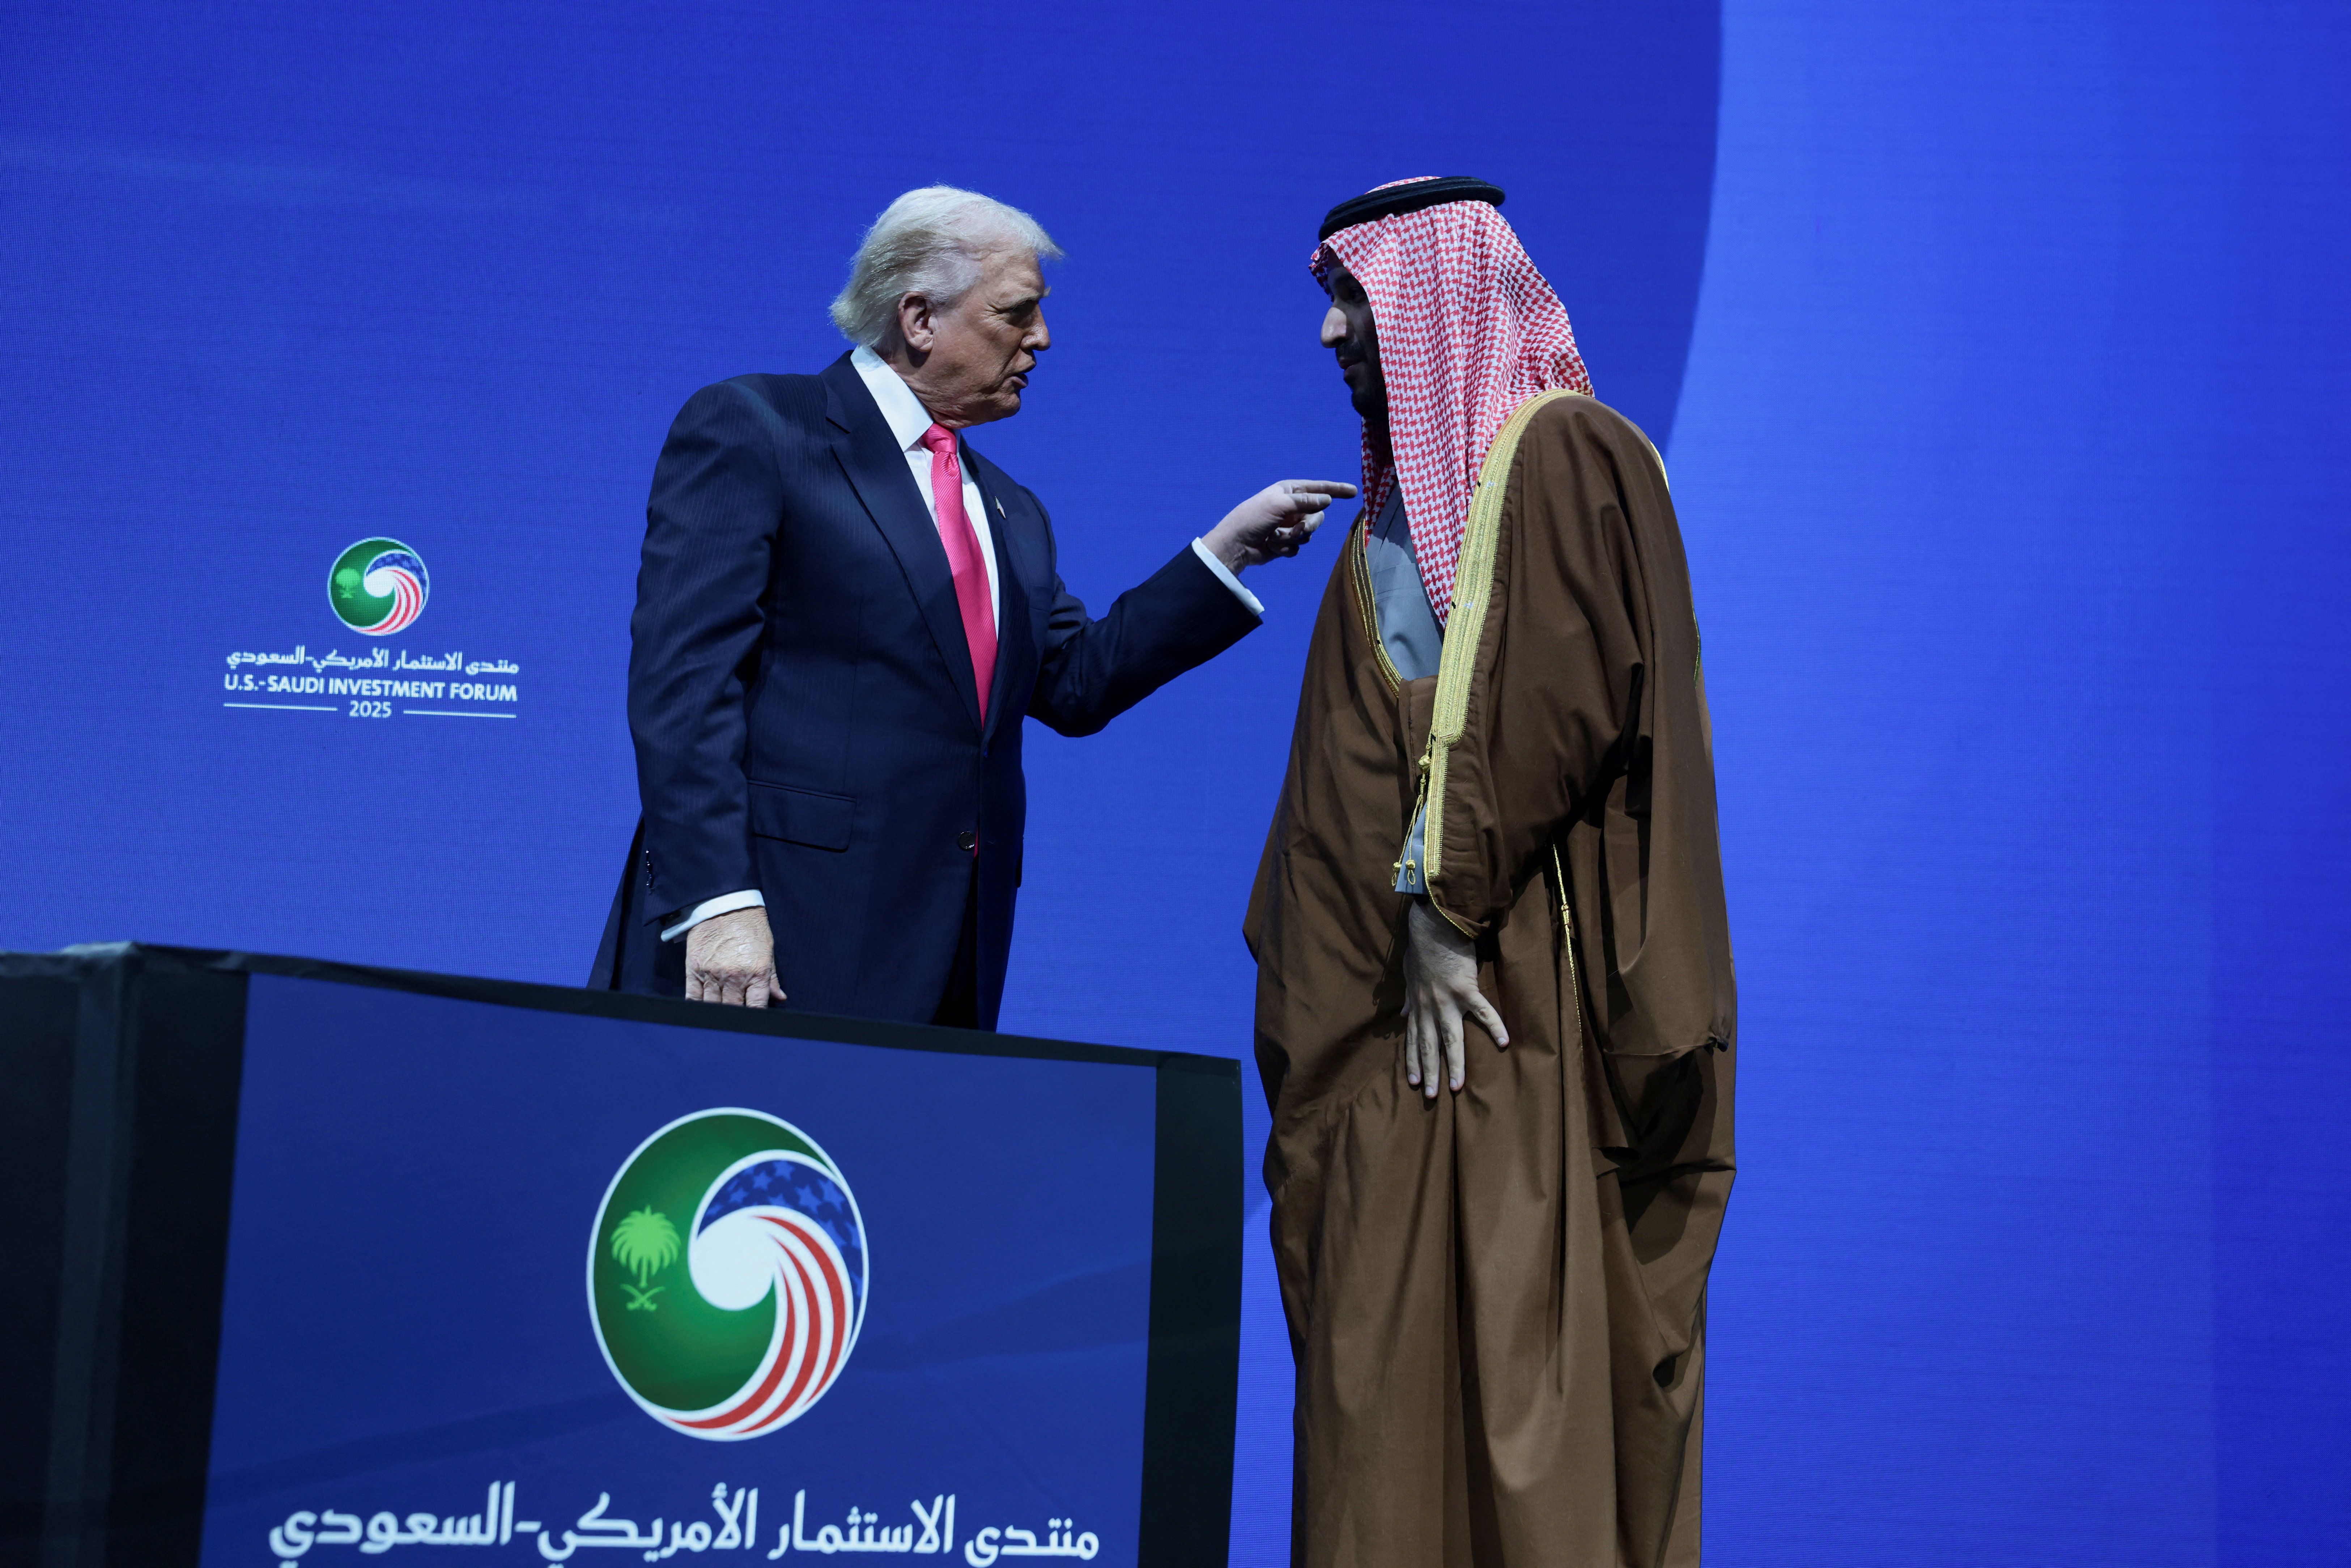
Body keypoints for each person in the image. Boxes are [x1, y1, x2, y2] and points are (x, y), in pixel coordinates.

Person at [1246, 177, 1737, 1566]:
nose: (1332, 333)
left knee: (1523, 1398)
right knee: (1375, 1419)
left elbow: (1557, 698)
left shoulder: (1569, 457)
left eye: (1354, 299)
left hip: (1504, 1037)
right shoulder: (1392, 524)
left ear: (1433, 307)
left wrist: (1448, 903)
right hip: (1372, 1062)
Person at [592, 185, 1351, 1027]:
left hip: (949, 952)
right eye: (1017, 311)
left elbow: (1073, 683)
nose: (1042, 338)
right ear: (919, 317)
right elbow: (685, 681)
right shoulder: (762, 430)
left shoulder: (1009, 511)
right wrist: (717, 898)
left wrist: (1226, 551)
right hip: (767, 939)